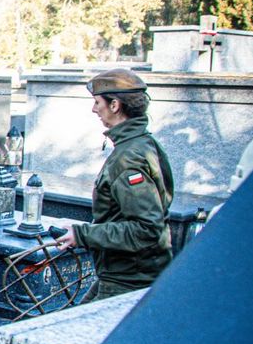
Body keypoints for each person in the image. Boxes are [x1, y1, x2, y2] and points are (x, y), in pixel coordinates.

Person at [56, 68, 173, 302]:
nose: (93, 109)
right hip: (125, 274)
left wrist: (82, 235)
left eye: (97, 102)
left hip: (129, 281)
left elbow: (146, 229)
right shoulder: (141, 143)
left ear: (115, 105)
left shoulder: (130, 157)